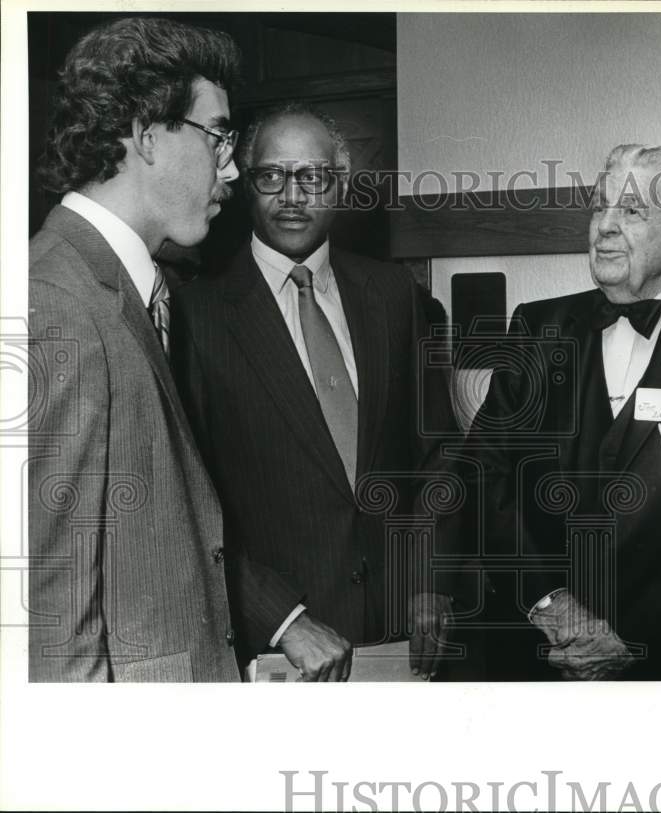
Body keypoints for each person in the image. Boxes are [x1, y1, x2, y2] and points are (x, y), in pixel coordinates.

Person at [464, 144, 661, 680]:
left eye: (632, 211)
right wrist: (551, 606)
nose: (605, 228)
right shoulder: (535, 328)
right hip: (539, 654)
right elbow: (484, 477)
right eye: (600, 206)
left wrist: (636, 647)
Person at [171, 103, 465, 681]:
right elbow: (188, 501)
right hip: (278, 651)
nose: (292, 196)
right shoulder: (195, 317)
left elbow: (438, 455)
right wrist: (281, 619)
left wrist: (431, 582)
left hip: (401, 639)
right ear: (245, 183)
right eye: (272, 176)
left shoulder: (393, 294)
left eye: (313, 177)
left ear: (342, 185)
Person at [28, 17, 242, 681]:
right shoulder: (58, 303)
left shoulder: (130, 288)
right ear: (148, 137)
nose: (231, 167)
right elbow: (51, 626)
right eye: (218, 136)